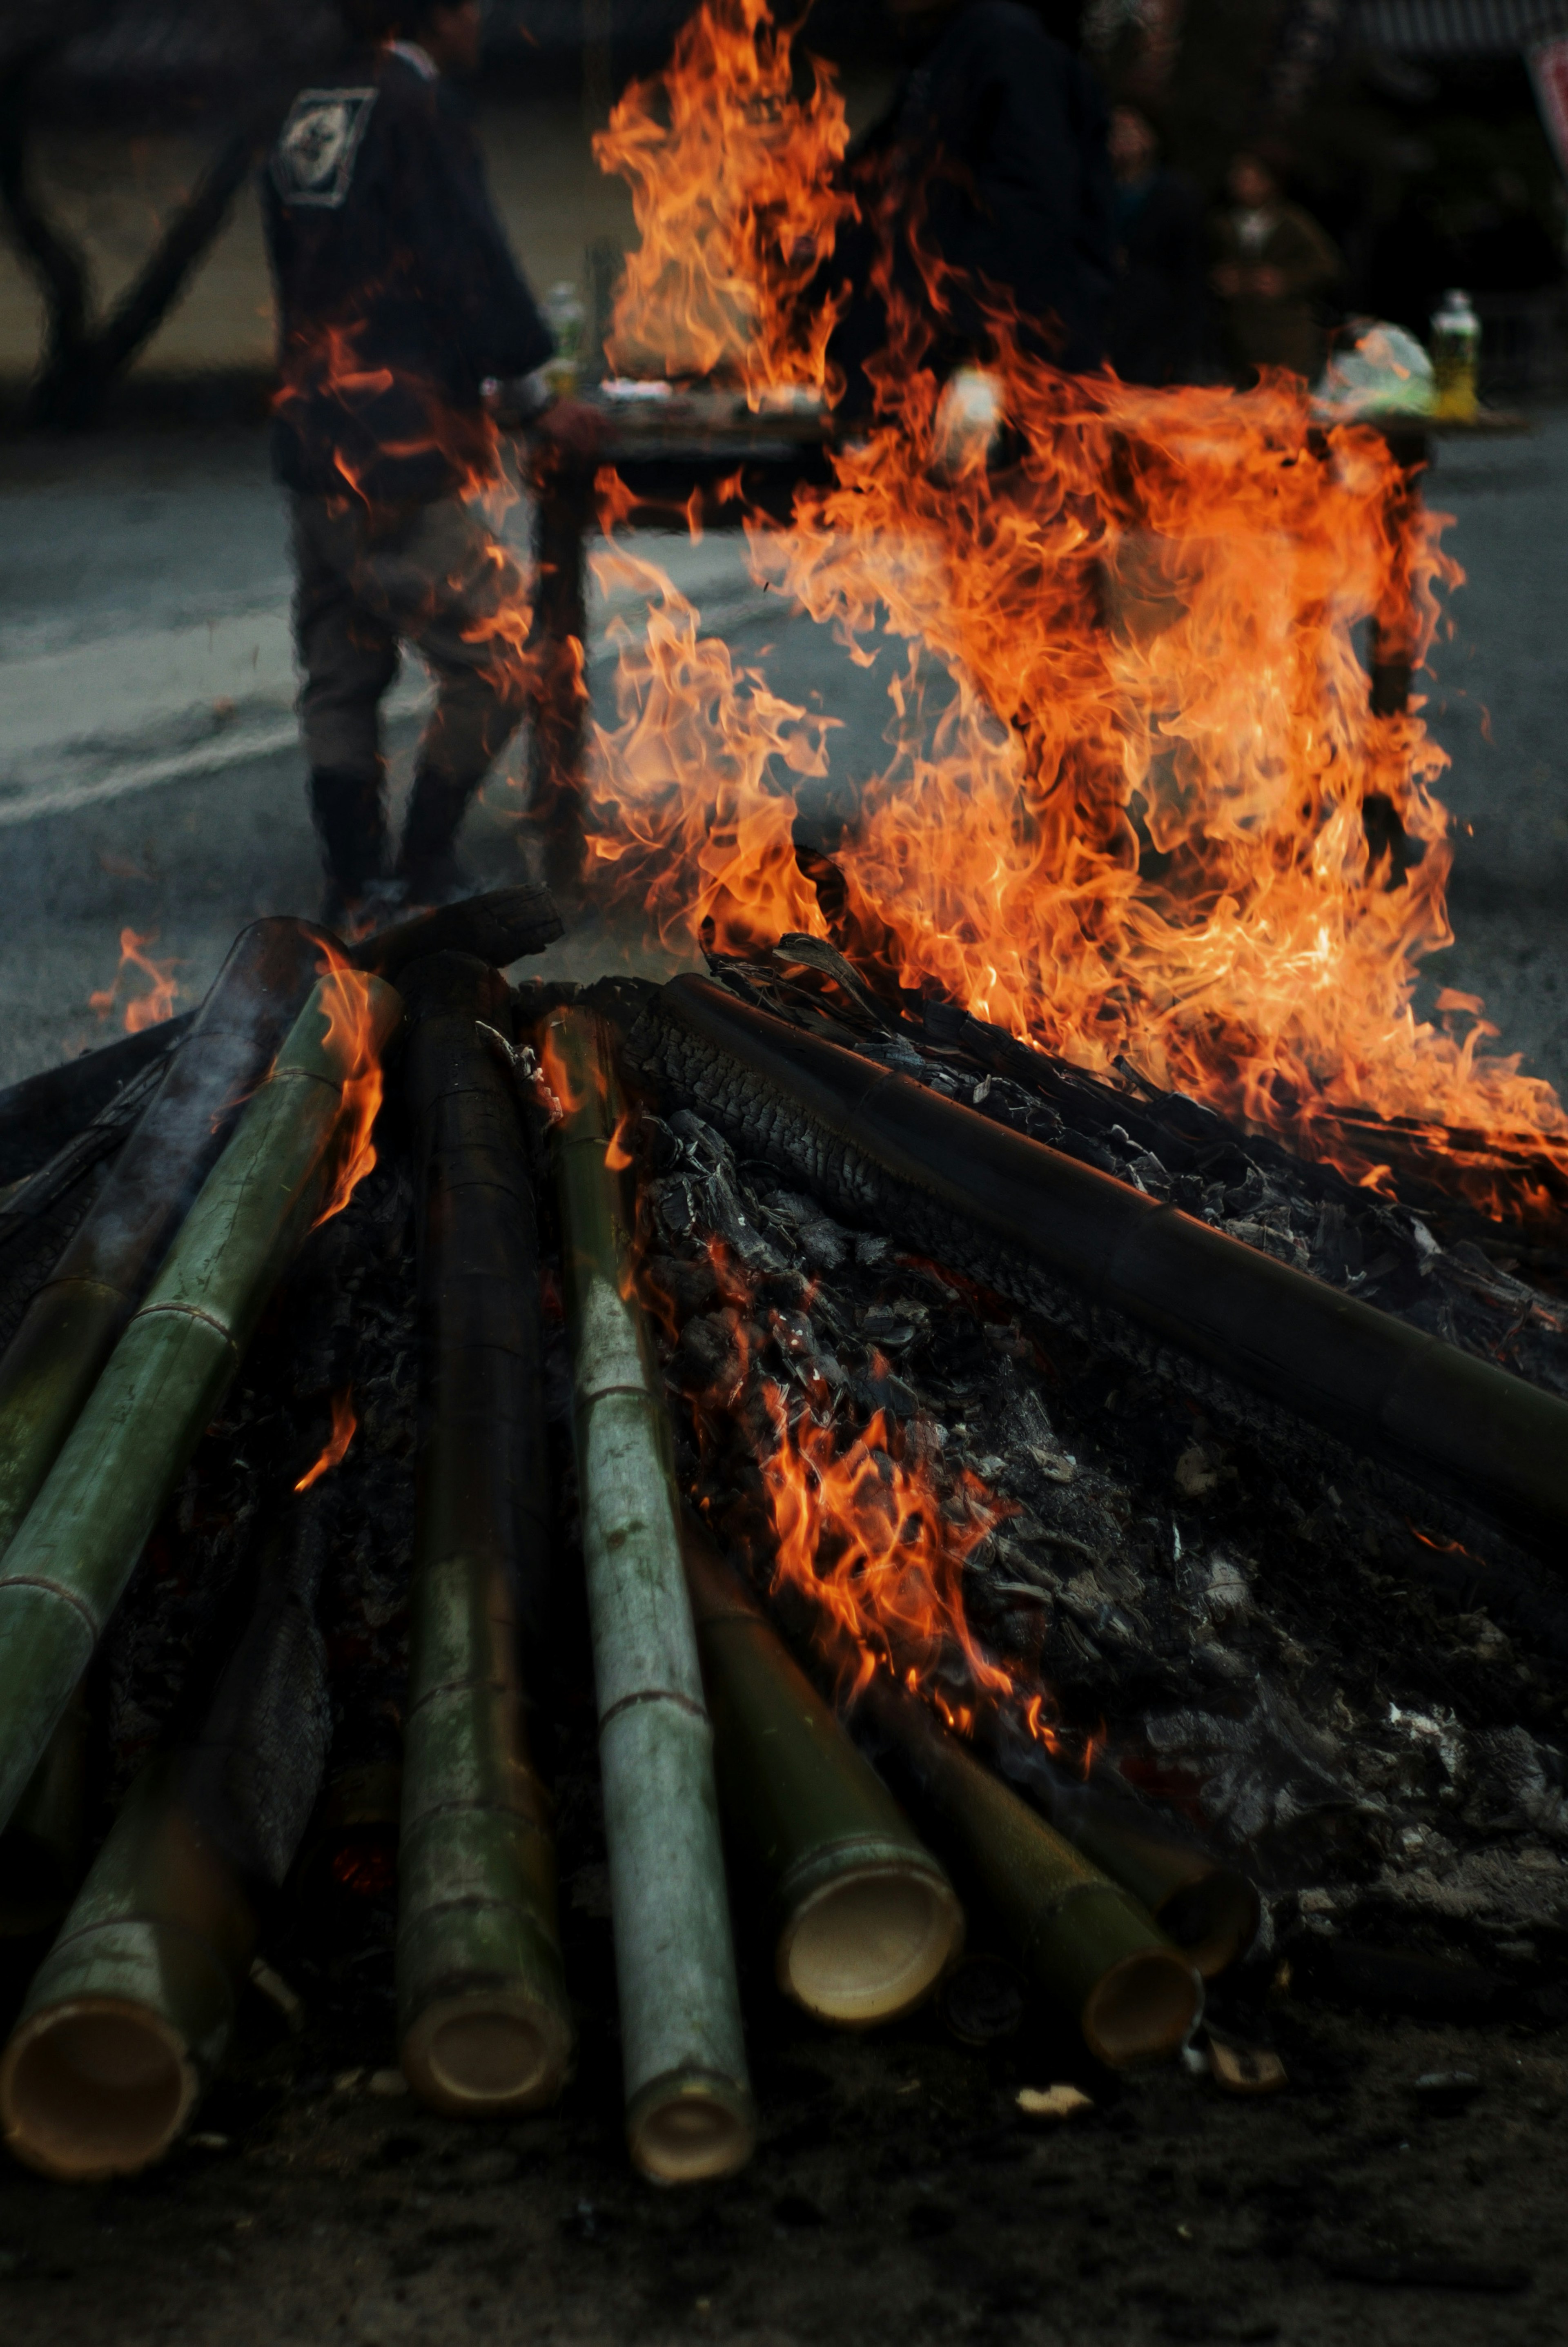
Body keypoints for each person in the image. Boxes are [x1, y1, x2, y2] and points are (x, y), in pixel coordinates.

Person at [261, 0, 585, 923]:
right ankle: (425, 862)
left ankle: (356, 881)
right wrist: (529, 396)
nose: (480, 17)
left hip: (314, 440)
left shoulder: (311, 109)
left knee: (340, 668)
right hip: (394, 449)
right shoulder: (416, 107)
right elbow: (463, 259)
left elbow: (304, 267)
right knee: (509, 655)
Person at [828, 0, 1114, 411]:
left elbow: (1031, 212)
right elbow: (878, 189)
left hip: (1005, 374)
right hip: (933, 362)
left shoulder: (1004, 43)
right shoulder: (939, 53)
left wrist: (975, 351)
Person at [1208, 147, 1340, 387]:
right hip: (1237, 336)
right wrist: (1219, 280)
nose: (1244, 185)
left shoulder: (1292, 223)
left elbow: (1327, 266)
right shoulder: (1222, 225)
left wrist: (1285, 280)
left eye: (1253, 178)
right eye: (1239, 177)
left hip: (1285, 336)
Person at [1106, 102, 1206, 385]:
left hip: (1154, 323)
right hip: (1103, 316)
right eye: (1114, 132)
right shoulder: (1094, 188)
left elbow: (1189, 270)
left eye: (1130, 132)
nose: (1120, 140)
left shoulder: (1175, 194)